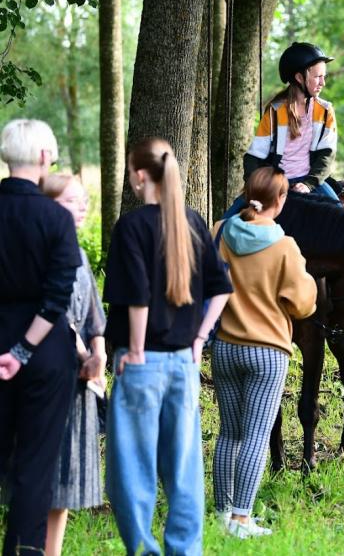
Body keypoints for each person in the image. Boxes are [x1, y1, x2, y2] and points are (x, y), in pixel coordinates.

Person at [103, 137, 232, 555]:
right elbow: (222, 288)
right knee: (184, 471)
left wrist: (136, 350)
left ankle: (143, 551)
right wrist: (198, 340)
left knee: (132, 472)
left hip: (143, 362)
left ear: (140, 175)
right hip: (182, 364)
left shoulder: (132, 227)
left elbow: (137, 296)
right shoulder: (193, 222)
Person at [211, 166, 317, 539]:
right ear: (281, 200)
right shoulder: (284, 245)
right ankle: (241, 519)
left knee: (229, 434)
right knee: (255, 436)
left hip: (224, 347)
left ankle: (222, 514)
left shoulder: (219, 232)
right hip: (267, 353)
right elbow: (303, 304)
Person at [0, 120, 80, 556]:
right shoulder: (55, 217)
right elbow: (56, 298)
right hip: (43, 354)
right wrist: (21, 350)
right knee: (35, 465)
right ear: (46, 158)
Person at [40, 174, 107, 556]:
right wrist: (85, 356)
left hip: (82, 379)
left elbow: (95, 317)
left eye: (83, 201)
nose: (81, 208)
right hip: (52, 374)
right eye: (71, 202)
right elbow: (56, 316)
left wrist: (98, 353)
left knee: (67, 478)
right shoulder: (40, 254)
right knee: (41, 476)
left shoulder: (79, 255)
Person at [224, 41, 339, 218]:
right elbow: (254, 156)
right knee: (227, 219)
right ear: (300, 78)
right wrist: (256, 186)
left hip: (311, 181)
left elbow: (326, 155)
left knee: (341, 215)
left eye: (324, 76)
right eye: (318, 77)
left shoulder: (325, 112)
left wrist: (309, 184)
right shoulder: (275, 112)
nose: (323, 82)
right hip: (275, 181)